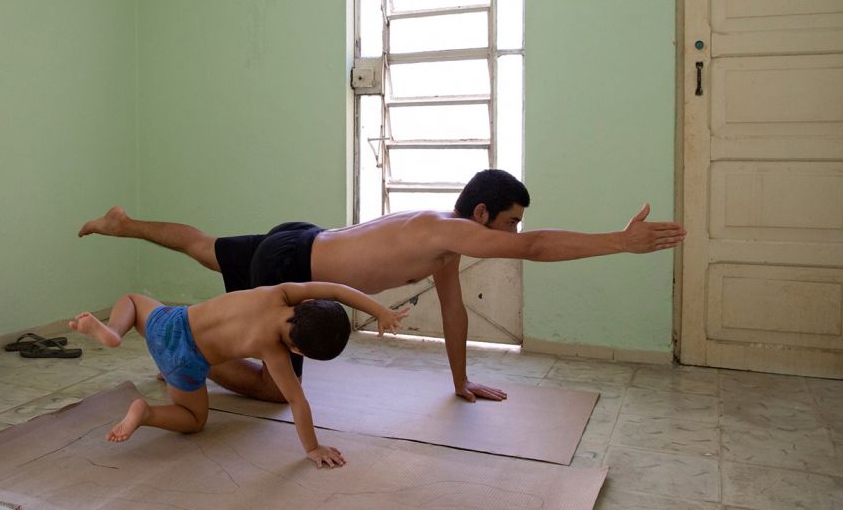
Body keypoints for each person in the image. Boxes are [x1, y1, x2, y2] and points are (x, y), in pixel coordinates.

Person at [78, 169, 686, 404]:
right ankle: (185, 352)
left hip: (302, 240)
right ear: (480, 215)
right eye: (509, 220)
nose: (514, 234)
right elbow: (534, 248)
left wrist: (458, 381)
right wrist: (619, 241)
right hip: (294, 264)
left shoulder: (444, 245)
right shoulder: (444, 230)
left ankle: (123, 224)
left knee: (205, 247)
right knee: (273, 394)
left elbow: (455, 314)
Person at [69, 281, 409, 468]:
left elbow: (336, 290)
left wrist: (379, 309)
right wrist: (313, 446)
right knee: (192, 418)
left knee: (132, 296)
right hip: (186, 365)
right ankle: (147, 413)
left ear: (307, 304)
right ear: (300, 350)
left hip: (167, 326)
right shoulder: (272, 349)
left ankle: (113, 332)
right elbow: (296, 400)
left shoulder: (281, 293)